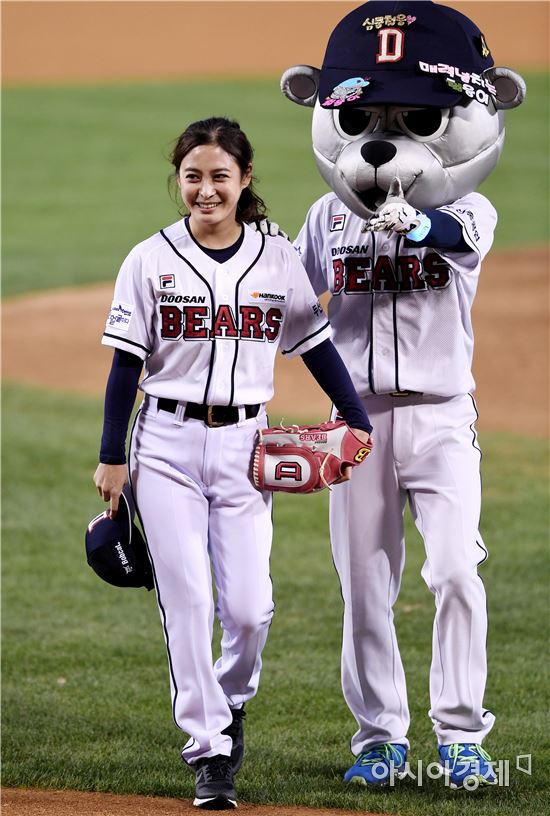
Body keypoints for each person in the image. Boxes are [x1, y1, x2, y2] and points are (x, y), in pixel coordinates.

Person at [93, 116, 372, 810]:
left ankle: (230, 698)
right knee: (186, 600)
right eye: (193, 177)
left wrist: (354, 415)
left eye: (220, 176)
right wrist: (111, 458)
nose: (206, 190)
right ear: (179, 181)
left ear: (244, 179)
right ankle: (209, 751)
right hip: (164, 447)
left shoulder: (275, 258)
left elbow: (313, 343)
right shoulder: (148, 260)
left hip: (248, 447)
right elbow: (127, 366)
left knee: (248, 611)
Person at [281, 0, 525, 791]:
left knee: (455, 571)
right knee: (364, 585)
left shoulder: (468, 208)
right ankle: (379, 737)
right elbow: (287, 297)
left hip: (443, 419)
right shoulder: (327, 217)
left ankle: (461, 735)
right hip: (355, 427)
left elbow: (457, 239)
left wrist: (416, 228)